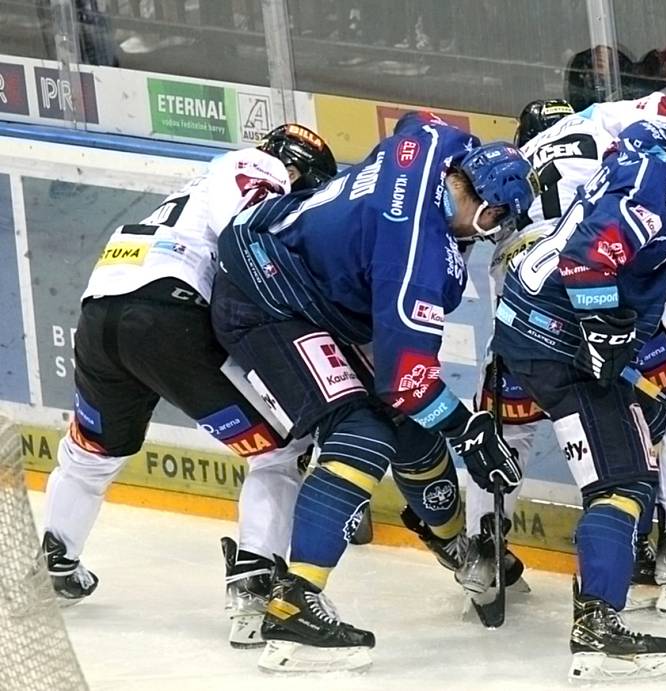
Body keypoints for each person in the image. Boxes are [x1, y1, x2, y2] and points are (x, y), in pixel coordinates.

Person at [210, 111, 533, 672]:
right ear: (488, 207)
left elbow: (416, 120)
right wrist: (470, 431)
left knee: (408, 429)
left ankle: (456, 546)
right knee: (364, 429)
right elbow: (406, 382)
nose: (490, 236)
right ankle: (294, 605)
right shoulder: (419, 259)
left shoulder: (435, 144)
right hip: (265, 299)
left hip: (296, 271)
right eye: (497, 222)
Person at [487, 102, 666, 681]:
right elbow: (586, 262)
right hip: (554, 337)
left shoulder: (661, 166)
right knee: (622, 480)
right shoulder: (655, 188)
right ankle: (596, 628)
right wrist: (603, 329)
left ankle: (601, 604)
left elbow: (639, 138)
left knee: (631, 461)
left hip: (535, 326)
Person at [41, 124, 338, 651]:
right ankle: (254, 581)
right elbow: (244, 241)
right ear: (292, 168)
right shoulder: (256, 166)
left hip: (99, 316)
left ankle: (54, 561)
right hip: (168, 318)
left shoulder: (193, 186)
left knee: (91, 452)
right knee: (280, 450)